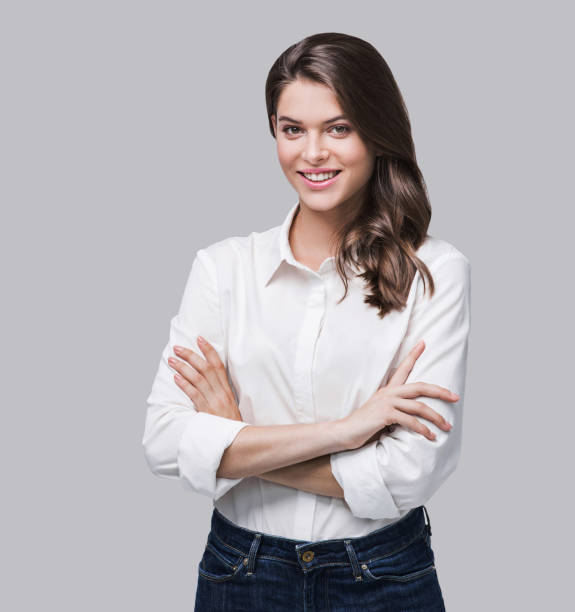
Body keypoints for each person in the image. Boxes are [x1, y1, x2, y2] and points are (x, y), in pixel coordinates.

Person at [142, 32, 471, 611]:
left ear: (377, 132)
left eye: (338, 128)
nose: (312, 153)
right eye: (292, 129)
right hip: (239, 573)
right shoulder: (222, 270)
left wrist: (235, 438)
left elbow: (409, 473)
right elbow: (165, 444)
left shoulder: (434, 272)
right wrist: (345, 432)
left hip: (382, 576)